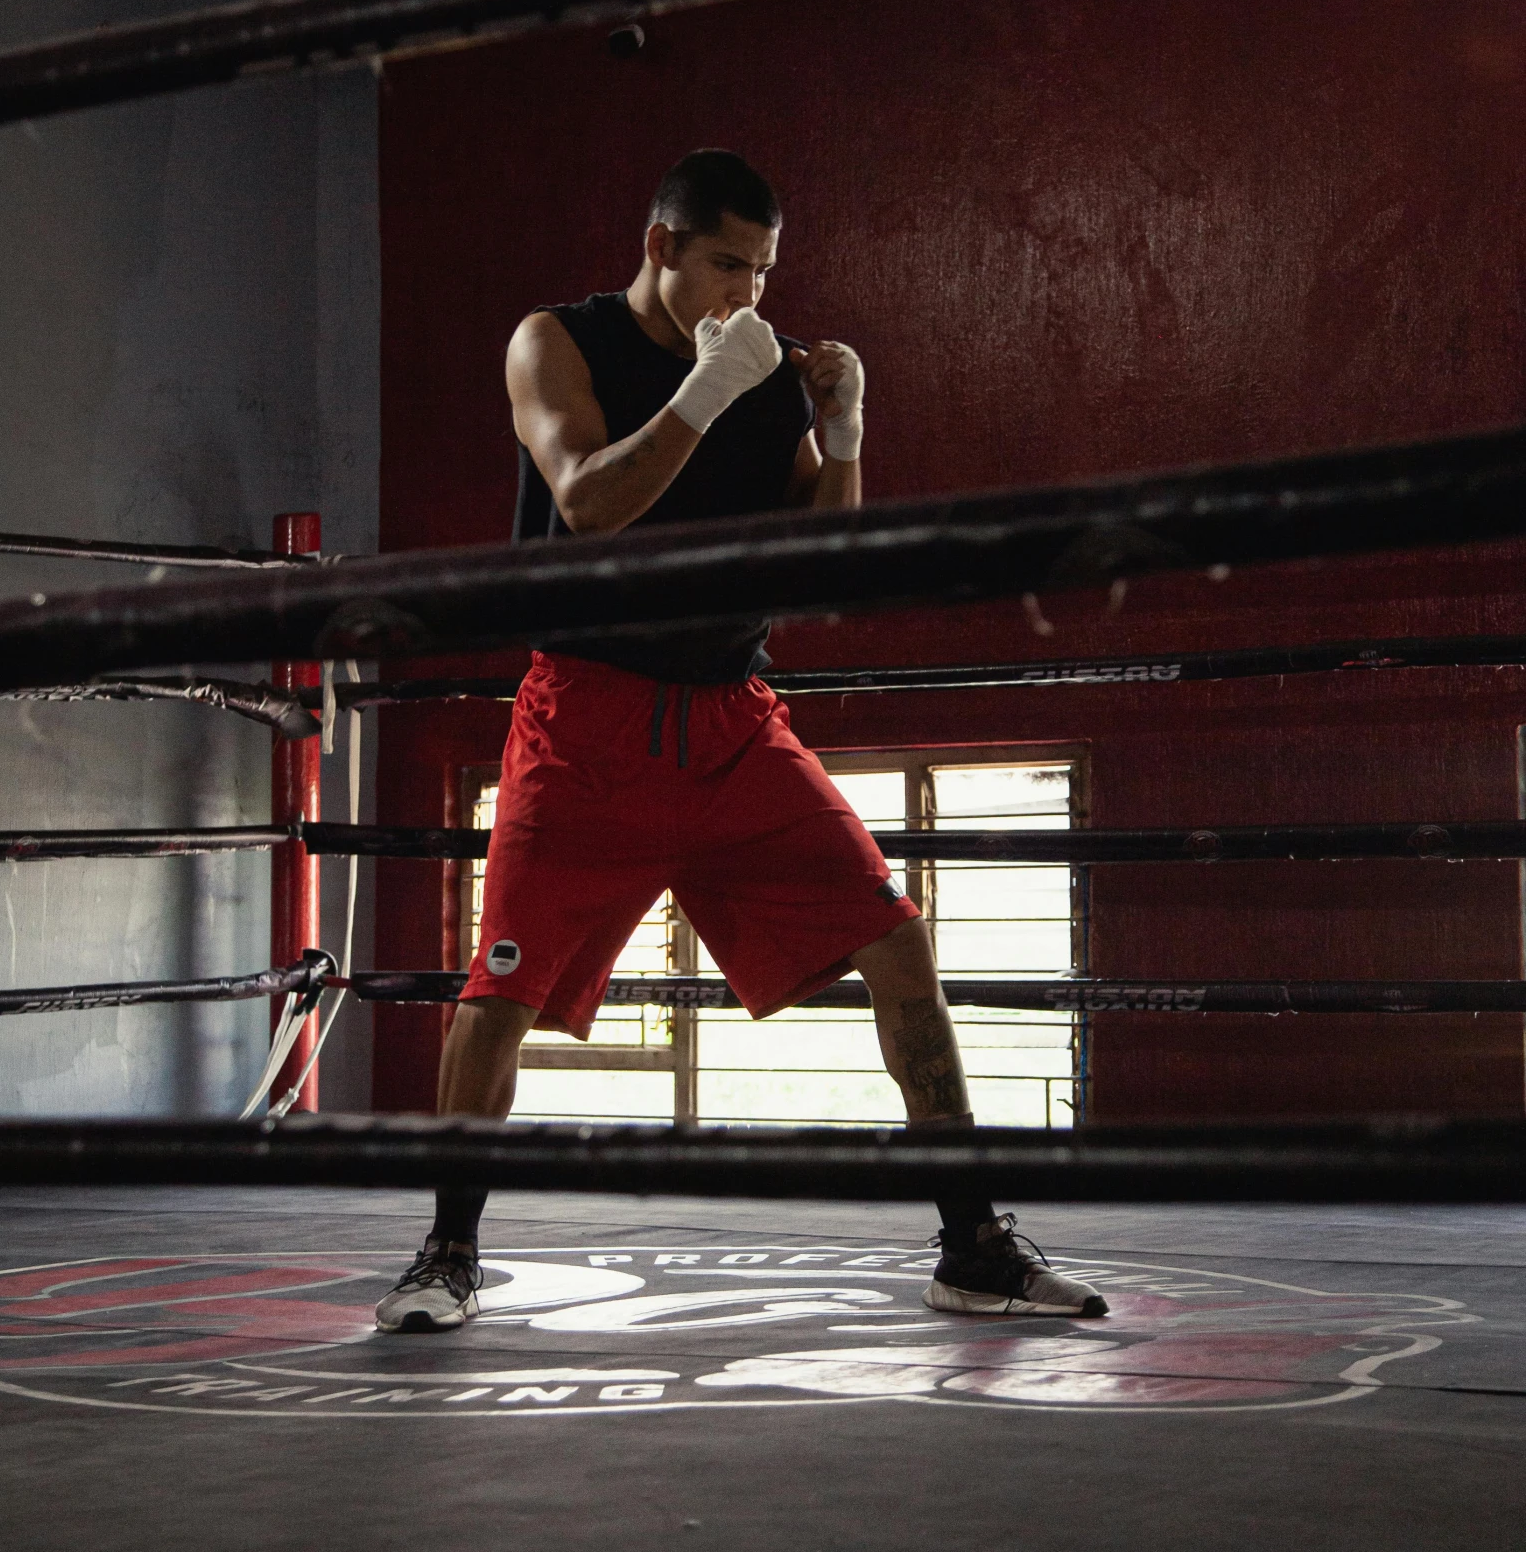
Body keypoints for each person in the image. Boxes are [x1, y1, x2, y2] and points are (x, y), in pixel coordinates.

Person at [376, 149, 1108, 1331]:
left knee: (899, 944)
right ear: (662, 244)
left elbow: (825, 565)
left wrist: (846, 430)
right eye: (727, 264)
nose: (748, 296)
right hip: (588, 723)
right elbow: (587, 500)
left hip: (731, 726)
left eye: (764, 272)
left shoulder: (762, 369)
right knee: (499, 990)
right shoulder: (556, 343)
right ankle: (446, 1255)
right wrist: (704, 392)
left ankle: (971, 1245)